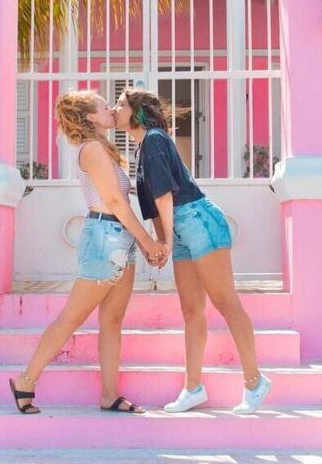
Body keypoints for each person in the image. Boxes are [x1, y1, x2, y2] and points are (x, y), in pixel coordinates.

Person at [115, 88, 272, 415]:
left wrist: (166, 243)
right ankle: (193, 387)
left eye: (121, 104)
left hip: (198, 220)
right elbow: (156, 206)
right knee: (191, 310)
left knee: (226, 302)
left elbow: (165, 196)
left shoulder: (155, 140)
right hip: (181, 227)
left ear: (138, 112)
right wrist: (159, 245)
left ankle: (254, 382)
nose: (115, 108)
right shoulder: (145, 146)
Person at [9, 90, 166, 415]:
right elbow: (114, 202)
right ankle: (26, 379)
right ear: (91, 117)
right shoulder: (93, 149)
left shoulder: (103, 149)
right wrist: (147, 242)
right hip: (106, 237)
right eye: (102, 105)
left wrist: (138, 241)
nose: (110, 108)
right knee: (73, 316)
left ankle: (109, 395)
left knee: (112, 320)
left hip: (117, 236)